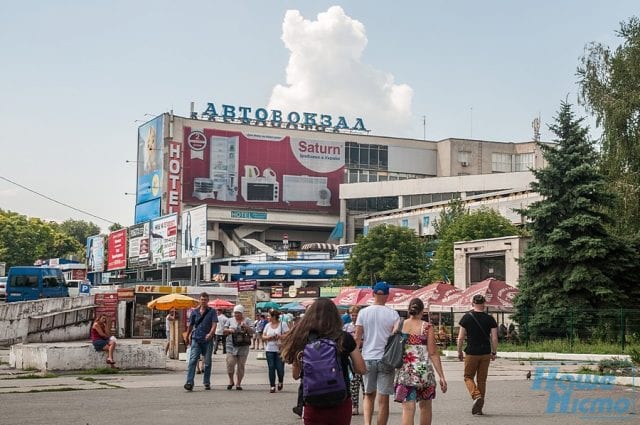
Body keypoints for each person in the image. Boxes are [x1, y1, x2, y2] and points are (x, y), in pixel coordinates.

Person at [280, 298, 366, 425]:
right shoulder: (344, 338)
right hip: (340, 400)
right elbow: (361, 368)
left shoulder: (303, 338)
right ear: (335, 316)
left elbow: (295, 375)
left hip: (312, 400)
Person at [394, 298, 447, 425]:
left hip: (405, 372)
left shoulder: (399, 325)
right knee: (425, 407)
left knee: (408, 409)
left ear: (409, 310)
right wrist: (441, 376)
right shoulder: (427, 327)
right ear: (422, 311)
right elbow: (433, 353)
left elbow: (393, 347)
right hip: (424, 373)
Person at [355, 281, 400, 425]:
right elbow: (396, 336)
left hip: (367, 357)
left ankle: (367, 424)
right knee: (384, 398)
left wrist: (355, 358)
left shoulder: (363, 312)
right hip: (386, 359)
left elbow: (357, 337)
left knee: (368, 395)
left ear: (373, 293)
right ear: (387, 296)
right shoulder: (394, 314)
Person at [456, 294, 498, 415]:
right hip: (485, 353)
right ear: (484, 304)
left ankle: (476, 396)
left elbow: (460, 338)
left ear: (472, 303)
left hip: (471, 352)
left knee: (468, 376)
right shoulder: (490, 319)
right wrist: (494, 352)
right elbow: (494, 338)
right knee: (482, 380)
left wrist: (459, 351)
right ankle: (479, 408)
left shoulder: (466, 318)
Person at [184, 292, 218, 391]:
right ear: (200, 300)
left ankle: (206, 382)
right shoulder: (195, 311)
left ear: (208, 301)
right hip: (196, 338)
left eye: (205, 300)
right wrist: (187, 336)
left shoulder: (212, 311)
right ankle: (189, 382)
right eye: (202, 299)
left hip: (207, 339)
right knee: (193, 360)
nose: (203, 301)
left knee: (207, 362)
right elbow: (191, 325)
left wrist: (211, 333)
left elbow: (214, 324)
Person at [224, 305, 254, 390]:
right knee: (230, 364)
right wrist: (229, 330)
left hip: (243, 346)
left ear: (242, 313)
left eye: (239, 313)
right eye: (235, 313)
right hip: (231, 345)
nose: (237, 315)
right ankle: (231, 381)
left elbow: (253, 331)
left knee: (241, 365)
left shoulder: (247, 320)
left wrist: (246, 327)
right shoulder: (230, 320)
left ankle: (238, 383)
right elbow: (224, 330)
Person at [343, 305, 364, 416]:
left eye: (356, 315)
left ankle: (367, 403)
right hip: (350, 357)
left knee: (365, 383)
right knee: (354, 382)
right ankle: (354, 405)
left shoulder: (364, 327)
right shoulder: (346, 327)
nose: (354, 317)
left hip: (363, 354)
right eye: (352, 315)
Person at [263, 309, 289, 393]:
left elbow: (288, 335)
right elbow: (263, 336)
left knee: (280, 368)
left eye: (269, 316)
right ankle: (272, 386)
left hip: (279, 349)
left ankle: (280, 381)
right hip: (269, 349)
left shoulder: (283, 324)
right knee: (271, 367)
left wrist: (280, 336)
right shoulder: (267, 325)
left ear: (274, 317)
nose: (268, 317)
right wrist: (269, 337)